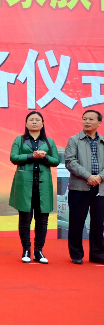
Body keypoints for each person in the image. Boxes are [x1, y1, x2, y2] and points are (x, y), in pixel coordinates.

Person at [8, 111, 58, 264]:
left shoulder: (49, 141)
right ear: (26, 123)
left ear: (42, 124)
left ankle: (39, 251)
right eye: (31, 120)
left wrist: (45, 157)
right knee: (25, 219)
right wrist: (32, 156)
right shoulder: (19, 139)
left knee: (42, 220)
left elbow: (56, 161)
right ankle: (26, 250)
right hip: (24, 185)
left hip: (43, 185)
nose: (34, 122)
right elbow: (13, 157)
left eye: (37, 120)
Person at [65, 109, 104, 265]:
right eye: (84, 119)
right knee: (76, 221)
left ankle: (97, 253)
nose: (87, 121)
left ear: (99, 123)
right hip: (79, 188)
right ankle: (76, 254)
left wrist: (100, 177)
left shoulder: (103, 141)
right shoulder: (74, 140)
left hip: (100, 187)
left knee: (98, 222)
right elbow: (70, 162)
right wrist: (88, 176)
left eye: (91, 119)